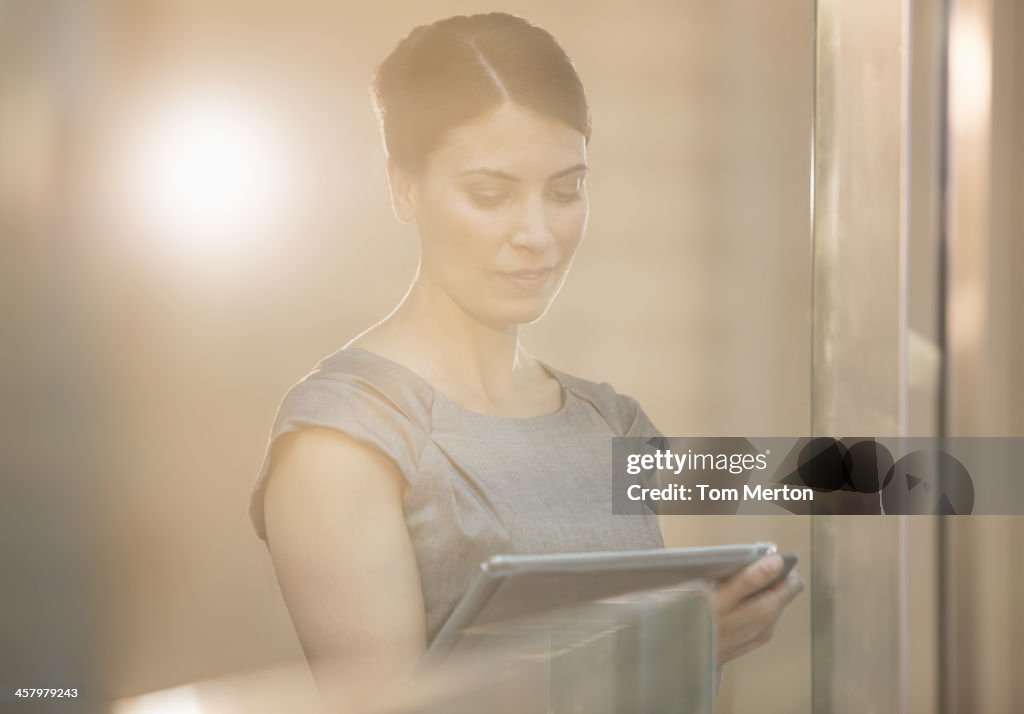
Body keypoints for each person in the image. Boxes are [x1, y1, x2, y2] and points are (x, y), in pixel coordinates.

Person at [249, 12, 803, 713]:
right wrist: (674, 643)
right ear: (405, 187)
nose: (537, 235)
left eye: (566, 191)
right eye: (491, 194)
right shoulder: (345, 436)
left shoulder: (611, 424)